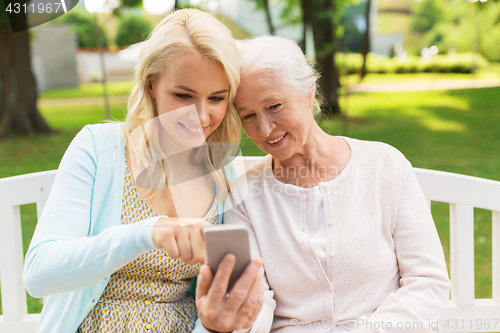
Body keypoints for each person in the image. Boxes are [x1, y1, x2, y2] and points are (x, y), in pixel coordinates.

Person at [23, 9, 264, 333]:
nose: (201, 115)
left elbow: (230, 291)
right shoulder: (100, 149)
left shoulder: (225, 171)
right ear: (151, 84)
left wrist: (214, 322)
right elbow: (39, 274)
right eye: (183, 95)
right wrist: (148, 233)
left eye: (217, 98)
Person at [199, 35, 451, 332]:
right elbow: (252, 301)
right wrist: (236, 320)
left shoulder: (385, 166)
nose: (264, 129)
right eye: (248, 115)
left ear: (309, 91)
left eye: (275, 106)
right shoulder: (242, 197)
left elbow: (428, 281)